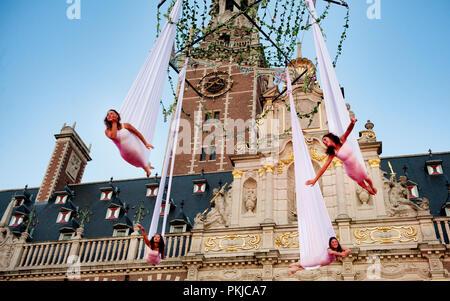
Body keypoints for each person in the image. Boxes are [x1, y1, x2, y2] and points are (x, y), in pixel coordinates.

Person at [305, 118, 377, 195]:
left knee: (366, 177)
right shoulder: (333, 153)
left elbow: (348, 131)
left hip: (357, 165)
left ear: (331, 138)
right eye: (323, 142)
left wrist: (352, 123)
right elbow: (324, 167)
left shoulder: (341, 140)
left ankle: (372, 187)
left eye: (325, 139)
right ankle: (366, 188)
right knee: (360, 181)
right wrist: (314, 180)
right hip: (350, 170)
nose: (324, 142)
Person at [104, 109, 155, 177]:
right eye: (108, 114)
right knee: (141, 163)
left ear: (117, 116)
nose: (109, 115)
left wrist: (145, 143)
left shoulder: (126, 125)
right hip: (126, 155)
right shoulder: (107, 131)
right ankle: (147, 167)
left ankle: (147, 168)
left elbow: (137, 133)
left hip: (137, 150)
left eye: (112, 113)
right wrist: (114, 122)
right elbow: (113, 136)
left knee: (142, 161)